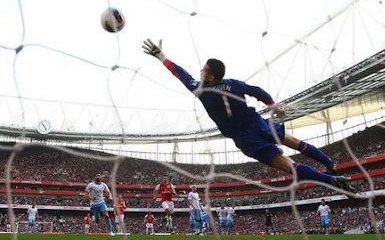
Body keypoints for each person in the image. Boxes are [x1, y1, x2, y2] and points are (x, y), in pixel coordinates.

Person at [142, 39, 357, 193]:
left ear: (211, 76)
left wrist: (161, 57)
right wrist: (273, 104)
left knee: (288, 166)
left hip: (245, 138)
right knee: (294, 141)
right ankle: (329, 162)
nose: (200, 71)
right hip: (258, 123)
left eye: (204, 69)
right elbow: (257, 91)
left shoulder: (201, 90)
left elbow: (181, 75)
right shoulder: (234, 84)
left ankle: (332, 180)